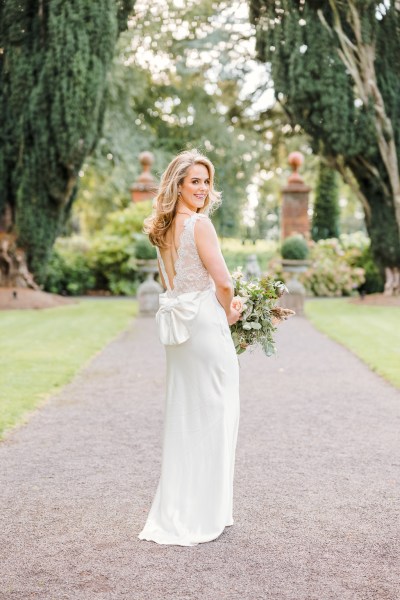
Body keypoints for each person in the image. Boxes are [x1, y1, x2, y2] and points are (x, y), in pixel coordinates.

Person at [138, 149, 242, 546]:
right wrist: (230, 311)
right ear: (178, 184)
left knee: (186, 414)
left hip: (177, 324)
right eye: (194, 180)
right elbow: (225, 282)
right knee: (218, 410)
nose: (202, 188)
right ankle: (205, 512)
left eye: (205, 181)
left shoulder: (161, 228)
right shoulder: (199, 225)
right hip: (201, 322)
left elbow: (172, 281)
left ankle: (183, 507)